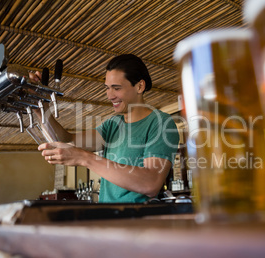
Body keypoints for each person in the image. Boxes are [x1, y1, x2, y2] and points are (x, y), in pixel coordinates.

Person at [31, 54, 180, 203]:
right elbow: (67, 141)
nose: (109, 96)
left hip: (137, 222)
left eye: (116, 88)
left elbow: (150, 184)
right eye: (107, 88)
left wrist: (84, 158)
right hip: (108, 217)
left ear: (139, 86)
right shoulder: (113, 124)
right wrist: (40, 110)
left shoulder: (161, 123)